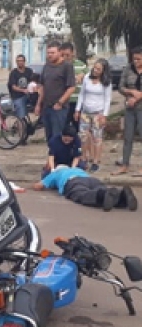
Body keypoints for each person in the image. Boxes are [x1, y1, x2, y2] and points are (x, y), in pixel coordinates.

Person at [33, 165, 137, 212]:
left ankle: (103, 195)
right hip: (90, 179)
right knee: (102, 189)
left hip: (73, 182)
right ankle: (122, 196)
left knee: (82, 194)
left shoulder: (56, 173)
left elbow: (38, 186)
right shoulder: (76, 169)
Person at [74, 58, 112, 173]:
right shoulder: (86, 78)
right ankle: (84, 158)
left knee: (97, 138)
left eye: (98, 69)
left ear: (103, 71)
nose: (95, 70)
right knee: (83, 137)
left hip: (98, 113)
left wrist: (104, 115)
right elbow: (82, 94)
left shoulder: (106, 82)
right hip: (85, 112)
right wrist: (77, 109)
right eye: (94, 68)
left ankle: (96, 161)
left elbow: (107, 99)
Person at [35, 41, 76, 142]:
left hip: (59, 108)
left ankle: (58, 157)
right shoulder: (46, 66)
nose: (49, 55)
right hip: (46, 107)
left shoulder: (67, 66)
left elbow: (71, 87)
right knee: (49, 137)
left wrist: (60, 102)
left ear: (59, 52)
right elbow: (42, 86)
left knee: (57, 136)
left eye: (52, 53)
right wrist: (38, 104)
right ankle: (51, 157)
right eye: (48, 53)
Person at [113, 46, 142, 177]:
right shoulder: (128, 69)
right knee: (128, 137)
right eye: (134, 58)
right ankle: (125, 165)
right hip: (130, 107)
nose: (136, 61)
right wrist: (130, 93)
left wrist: (139, 96)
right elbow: (120, 87)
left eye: (139, 59)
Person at [61, 42, 88, 130]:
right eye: (63, 55)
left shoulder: (81, 65)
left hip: (77, 102)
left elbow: (91, 79)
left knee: (78, 126)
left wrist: (83, 76)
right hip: (64, 101)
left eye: (67, 55)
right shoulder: (59, 66)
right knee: (63, 126)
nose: (65, 58)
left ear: (73, 53)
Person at [8, 54, 34, 118]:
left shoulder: (29, 71)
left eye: (21, 61)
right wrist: (23, 90)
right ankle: (20, 125)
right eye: (18, 61)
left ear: (24, 61)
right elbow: (13, 87)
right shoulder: (13, 73)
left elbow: (33, 82)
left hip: (29, 95)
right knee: (21, 115)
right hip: (18, 97)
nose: (20, 62)